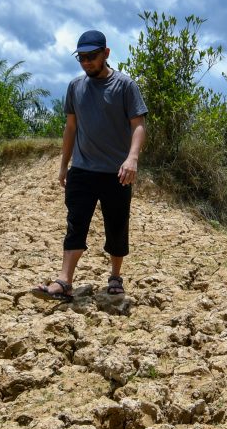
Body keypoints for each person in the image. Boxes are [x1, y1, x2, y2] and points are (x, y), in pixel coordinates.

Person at [31, 29, 148, 302]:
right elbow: (70, 128)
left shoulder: (125, 86)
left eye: (91, 57)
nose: (86, 62)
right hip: (82, 170)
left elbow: (139, 125)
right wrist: (63, 166)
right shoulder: (75, 87)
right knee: (76, 224)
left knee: (117, 226)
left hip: (116, 172)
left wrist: (132, 158)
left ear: (106, 53)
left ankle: (115, 277)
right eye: (81, 57)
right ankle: (64, 281)